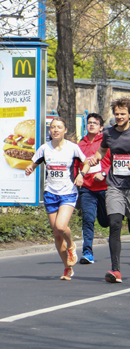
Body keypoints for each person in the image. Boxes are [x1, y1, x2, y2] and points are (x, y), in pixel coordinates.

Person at [83, 97, 130, 283]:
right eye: (116, 114)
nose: (119, 116)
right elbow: (102, 150)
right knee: (115, 223)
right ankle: (115, 270)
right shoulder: (109, 133)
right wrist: (96, 158)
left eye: (123, 114)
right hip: (115, 184)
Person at [26, 117, 86, 280]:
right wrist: (30, 168)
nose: (55, 130)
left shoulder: (72, 148)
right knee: (57, 234)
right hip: (50, 193)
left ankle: (71, 244)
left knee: (60, 226)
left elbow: (86, 162)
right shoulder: (44, 148)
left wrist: (81, 174)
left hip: (68, 192)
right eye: (53, 127)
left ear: (65, 130)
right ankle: (67, 268)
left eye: (59, 127)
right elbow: (34, 163)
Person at [76, 113, 110, 265]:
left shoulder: (105, 143)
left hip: (105, 187)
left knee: (105, 221)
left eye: (95, 123)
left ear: (100, 127)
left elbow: (113, 163)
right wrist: (77, 178)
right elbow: (76, 166)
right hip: (87, 188)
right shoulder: (80, 145)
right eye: (89, 122)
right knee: (88, 219)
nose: (91, 125)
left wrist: (104, 173)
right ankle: (87, 252)